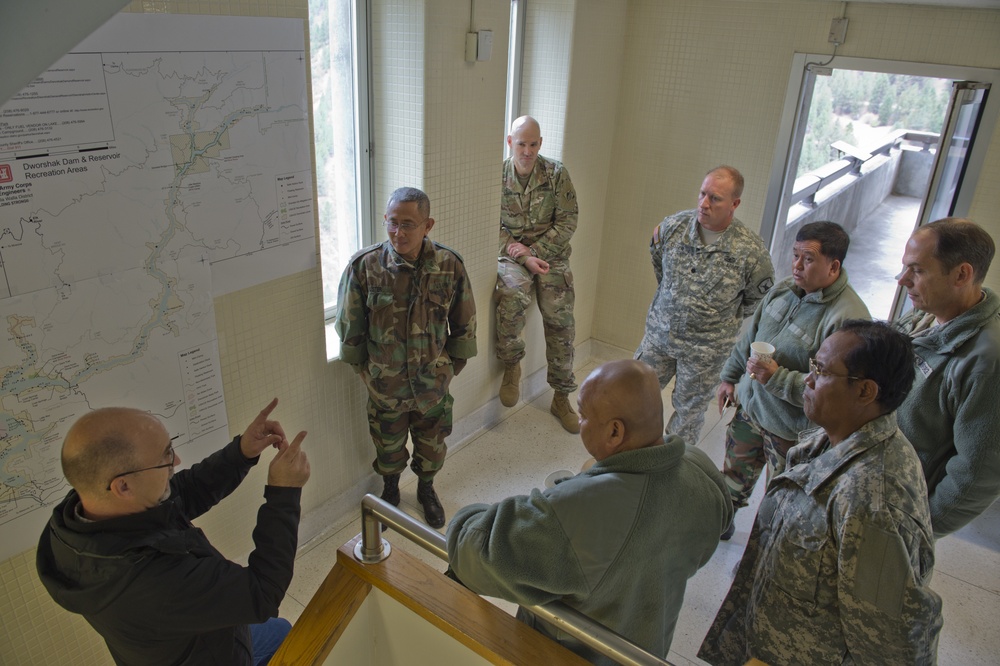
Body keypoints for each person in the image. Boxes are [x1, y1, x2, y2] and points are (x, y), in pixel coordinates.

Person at [447, 359, 732, 665]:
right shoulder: (702, 472)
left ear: (614, 432)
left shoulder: (578, 511)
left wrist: (468, 516)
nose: (580, 421)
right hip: (647, 649)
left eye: (583, 415)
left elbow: (472, 550)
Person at [699, 321, 942, 665]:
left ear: (865, 392)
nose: (807, 380)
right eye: (812, 366)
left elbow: (891, 645)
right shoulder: (830, 439)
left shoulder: (873, 501)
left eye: (821, 371)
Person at [36, 398, 310, 666]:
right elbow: (262, 592)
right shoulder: (152, 580)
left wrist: (240, 453)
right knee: (290, 636)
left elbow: (181, 494)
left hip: (191, 640)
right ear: (123, 487)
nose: (176, 460)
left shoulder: (76, 519)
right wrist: (284, 493)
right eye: (165, 456)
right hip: (211, 655)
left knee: (281, 630)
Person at [717, 221, 870, 539]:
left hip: (789, 431)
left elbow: (833, 392)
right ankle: (721, 522)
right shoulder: (784, 289)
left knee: (782, 500)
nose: (797, 265)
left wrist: (777, 378)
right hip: (750, 411)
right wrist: (730, 378)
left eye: (809, 259)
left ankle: (764, 554)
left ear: (833, 265)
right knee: (730, 480)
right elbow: (751, 337)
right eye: (795, 255)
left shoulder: (847, 320)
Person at [336, 186, 477, 528]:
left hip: (433, 386)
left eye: (409, 224)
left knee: (432, 448)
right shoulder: (365, 266)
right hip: (386, 387)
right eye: (393, 222)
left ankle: (427, 490)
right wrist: (368, 374)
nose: (398, 232)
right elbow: (350, 327)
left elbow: (464, 324)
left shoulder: (449, 265)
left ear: (428, 225)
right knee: (388, 447)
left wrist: (447, 371)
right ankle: (391, 490)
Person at [636, 165, 774, 447]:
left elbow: (754, 298)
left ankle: (671, 471)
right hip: (660, 337)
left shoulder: (751, 252)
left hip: (705, 351)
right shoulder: (672, 228)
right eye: (702, 194)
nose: (704, 203)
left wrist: (713, 321)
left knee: (688, 415)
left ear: (734, 204)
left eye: (715, 198)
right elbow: (659, 268)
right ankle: (631, 459)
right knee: (636, 396)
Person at [893, 217, 1000, 538]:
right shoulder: (927, 313)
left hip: (896, 519)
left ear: (962, 274)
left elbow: (977, 475)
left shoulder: (987, 361)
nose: (902, 280)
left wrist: (917, 530)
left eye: (918, 270)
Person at [496, 115, 580, 433]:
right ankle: (511, 365)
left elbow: (568, 220)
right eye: (521, 144)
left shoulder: (557, 174)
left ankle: (561, 397)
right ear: (510, 143)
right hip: (513, 256)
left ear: (540, 144)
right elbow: (490, 225)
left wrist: (536, 253)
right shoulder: (498, 176)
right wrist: (520, 253)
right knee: (509, 293)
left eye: (533, 144)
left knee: (561, 319)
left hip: (550, 255)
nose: (527, 151)